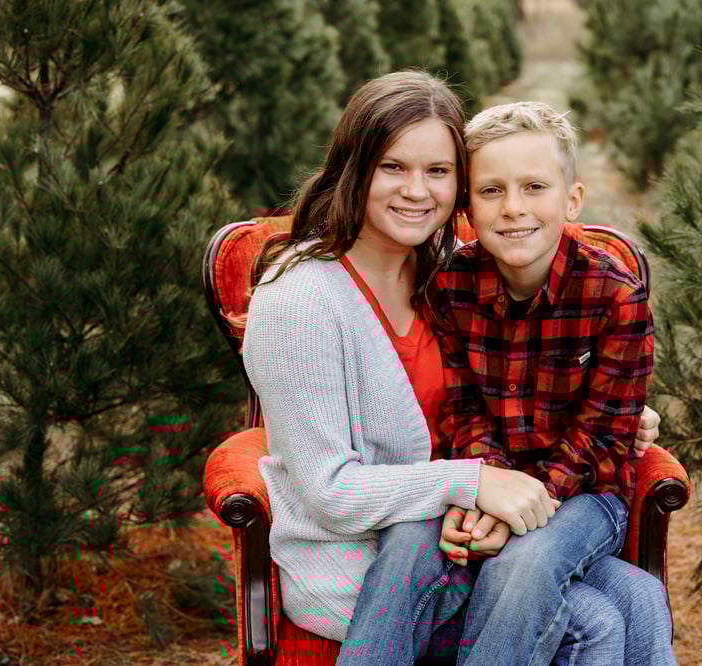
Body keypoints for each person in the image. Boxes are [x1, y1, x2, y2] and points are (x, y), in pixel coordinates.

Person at [237, 70, 664, 662]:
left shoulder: (435, 271)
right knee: (605, 619)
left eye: (437, 171)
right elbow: (331, 489)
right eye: (393, 167)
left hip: (464, 519)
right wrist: (474, 484)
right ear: (354, 169)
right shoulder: (304, 299)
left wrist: (619, 413)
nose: (417, 190)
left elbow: (545, 387)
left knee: (637, 599)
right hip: (370, 548)